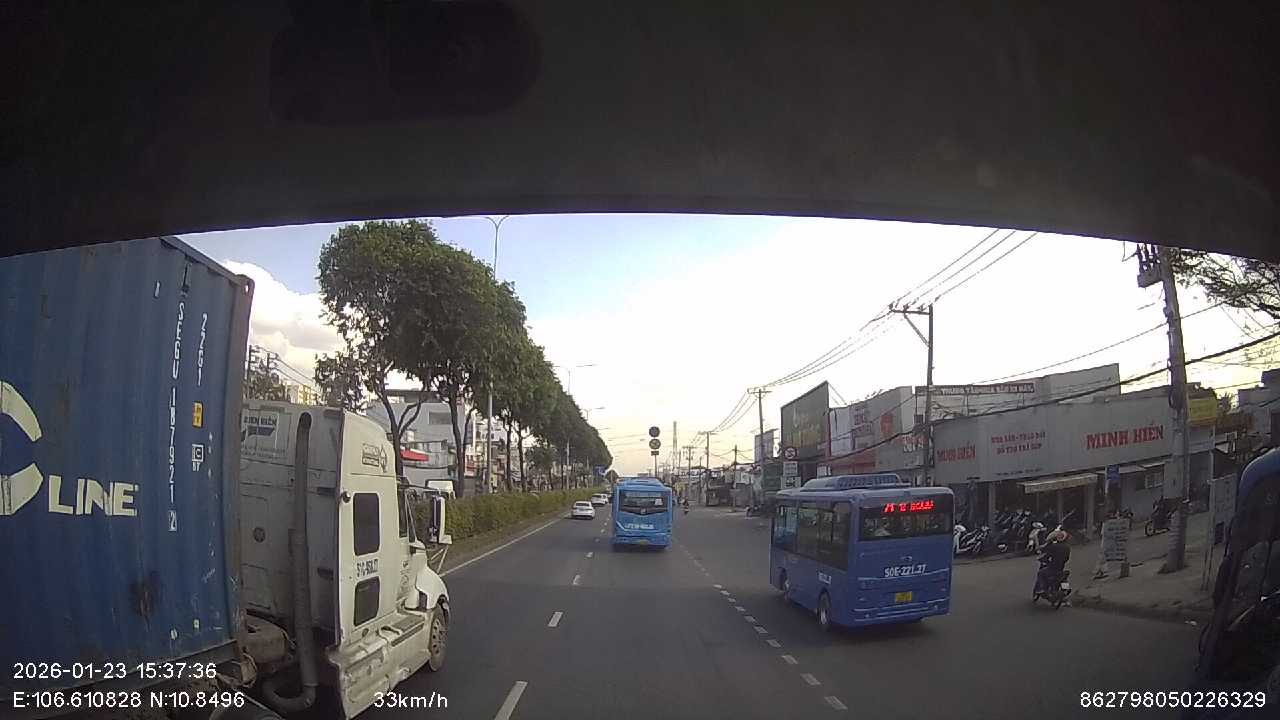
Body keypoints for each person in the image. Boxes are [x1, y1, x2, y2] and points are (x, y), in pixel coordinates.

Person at [1036, 529, 1071, 593]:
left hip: (1052, 568)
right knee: (1063, 576)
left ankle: (1042, 589)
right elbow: (1067, 558)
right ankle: (1065, 587)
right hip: (1061, 568)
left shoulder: (1054, 546)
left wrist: (1043, 559)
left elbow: (1047, 555)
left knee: (1041, 573)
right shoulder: (1067, 547)